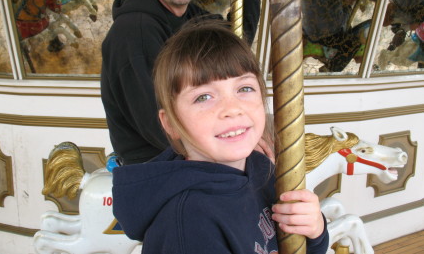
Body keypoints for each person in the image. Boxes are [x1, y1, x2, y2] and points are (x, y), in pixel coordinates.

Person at [112, 20, 329, 254]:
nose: (232, 108)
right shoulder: (190, 223)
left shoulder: (261, 167)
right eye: (203, 97)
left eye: (244, 89)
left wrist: (315, 231)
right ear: (171, 124)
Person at [101, 0, 261, 165]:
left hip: (187, 154)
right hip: (157, 167)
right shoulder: (135, 31)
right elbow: (156, 123)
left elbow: (234, 45)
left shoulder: (190, 17)